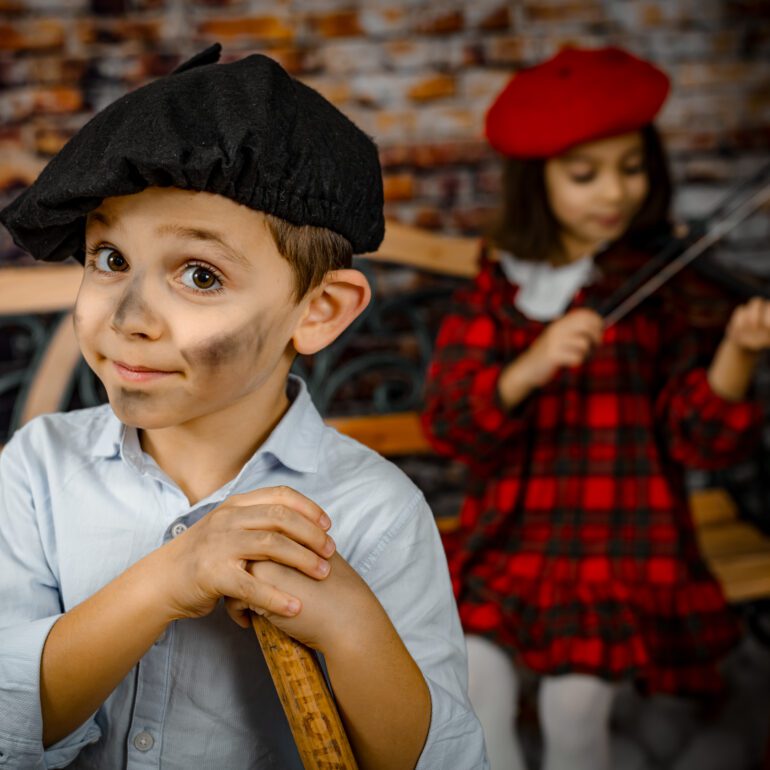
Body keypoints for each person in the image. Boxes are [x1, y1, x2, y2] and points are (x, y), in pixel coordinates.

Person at [0, 44, 488, 770]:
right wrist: (171, 577)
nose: (129, 316)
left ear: (318, 311)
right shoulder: (40, 470)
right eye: (109, 259)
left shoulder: (374, 513)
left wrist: (355, 630)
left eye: (199, 275)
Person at [421, 46, 770, 770]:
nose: (614, 192)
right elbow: (450, 425)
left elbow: (700, 440)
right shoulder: (499, 292)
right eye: (585, 174)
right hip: (514, 534)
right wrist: (530, 365)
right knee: (477, 683)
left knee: (574, 707)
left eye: (632, 167)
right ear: (535, 182)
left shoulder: (666, 293)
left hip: (623, 541)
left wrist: (737, 352)